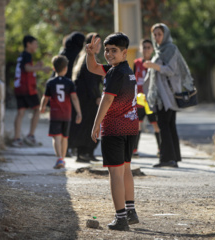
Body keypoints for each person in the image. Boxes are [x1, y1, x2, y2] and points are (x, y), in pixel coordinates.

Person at [86, 32, 139, 231]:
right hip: (131, 127)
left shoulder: (115, 73)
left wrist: (96, 125)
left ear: (124, 52)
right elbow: (92, 67)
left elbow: (107, 100)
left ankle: (121, 218)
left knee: (115, 174)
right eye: (107, 50)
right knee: (125, 170)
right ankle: (131, 211)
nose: (108, 54)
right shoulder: (125, 70)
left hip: (115, 128)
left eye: (113, 51)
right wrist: (90, 53)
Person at [143, 23, 195, 168]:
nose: (157, 37)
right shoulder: (159, 51)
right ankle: (173, 158)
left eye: (159, 34)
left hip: (168, 96)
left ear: (165, 35)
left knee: (164, 125)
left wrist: (154, 66)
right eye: (155, 34)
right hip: (162, 96)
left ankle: (167, 159)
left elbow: (171, 70)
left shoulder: (170, 49)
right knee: (169, 125)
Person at [39, 55, 82, 169]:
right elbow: (74, 98)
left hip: (55, 114)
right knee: (65, 137)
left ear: (53, 68)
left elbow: (45, 97)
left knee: (56, 138)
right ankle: (62, 159)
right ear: (66, 68)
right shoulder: (69, 83)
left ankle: (59, 159)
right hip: (66, 114)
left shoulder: (50, 82)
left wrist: (42, 107)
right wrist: (79, 112)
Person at [69, 33, 103, 163]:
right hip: (87, 99)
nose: (99, 46)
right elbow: (90, 82)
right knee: (87, 125)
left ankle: (87, 152)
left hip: (86, 98)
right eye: (97, 43)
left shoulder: (87, 58)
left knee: (88, 125)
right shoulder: (87, 59)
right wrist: (97, 97)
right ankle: (83, 152)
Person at [12, 35, 51, 147]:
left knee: (21, 112)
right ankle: (30, 136)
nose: (36, 46)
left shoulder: (23, 55)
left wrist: (37, 66)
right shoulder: (27, 55)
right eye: (35, 43)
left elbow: (26, 68)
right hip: (27, 88)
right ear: (28, 44)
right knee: (37, 110)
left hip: (19, 87)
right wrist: (42, 69)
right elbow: (27, 68)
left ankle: (17, 138)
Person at [132, 39, 160, 158]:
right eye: (144, 47)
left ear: (152, 49)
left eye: (149, 47)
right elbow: (133, 80)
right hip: (139, 99)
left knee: (155, 124)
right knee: (137, 124)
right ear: (140, 49)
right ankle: (134, 150)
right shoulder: (137, 62)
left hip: (151, 99)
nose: (146, 49)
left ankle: (160, 149)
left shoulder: (155, 63)